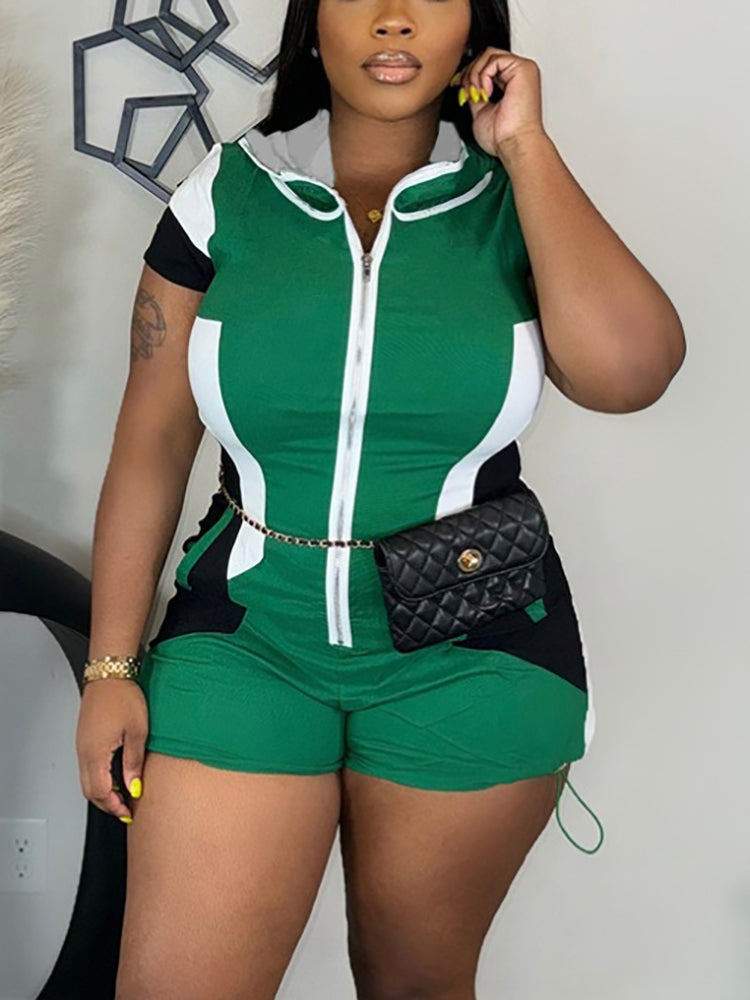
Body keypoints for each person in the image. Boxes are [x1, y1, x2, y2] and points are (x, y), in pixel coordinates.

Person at [76, 0, 686, 997]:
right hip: (247, 638)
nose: (394, 18)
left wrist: (526, 149)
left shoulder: (514, 199)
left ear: (475, 27)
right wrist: (109, 665)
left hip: (474, 645)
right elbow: (151, 443)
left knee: (414, 984)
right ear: (313, 20)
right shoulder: (224, 194)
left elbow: (633, 374)